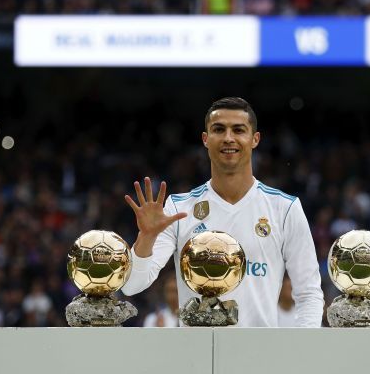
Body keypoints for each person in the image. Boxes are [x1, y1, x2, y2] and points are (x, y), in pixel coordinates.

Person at [122, 97, 324, 327]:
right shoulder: (179, 208)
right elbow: (131, 286)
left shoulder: (284, 208)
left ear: (254, 139)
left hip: (260, 357)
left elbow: (308, 293)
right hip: (195, 357)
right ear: (206, 139)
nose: (229, 138)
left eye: (238, 130)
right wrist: (145, 239)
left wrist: (302, 356)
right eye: (219, 129)